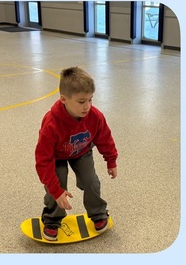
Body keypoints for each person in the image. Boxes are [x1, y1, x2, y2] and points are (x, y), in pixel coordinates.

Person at [34, 67, 118, 241]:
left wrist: (111, 160)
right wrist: (57, 191)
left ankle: (98, 214)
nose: (87, 106)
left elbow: (104, 138)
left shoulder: (95, 116)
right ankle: (52, 220)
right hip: (56, 157)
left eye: (90, 100)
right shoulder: (51, 124)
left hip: (82, 152)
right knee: (57, 184)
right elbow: (43, 160)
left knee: (91, 181)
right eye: (81, 101)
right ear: (64, 99)